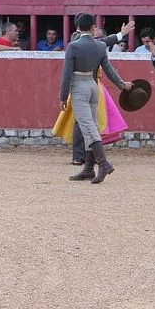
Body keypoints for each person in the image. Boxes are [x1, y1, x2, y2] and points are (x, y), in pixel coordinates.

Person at [60, 12, 131, 185]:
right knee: (91, 126)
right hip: (93, 86)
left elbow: (66, 74)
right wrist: (122, 85)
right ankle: (88, 169)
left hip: (79, 87)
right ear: (93, 28)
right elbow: (108, 69)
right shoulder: (99, 46)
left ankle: (103, 163)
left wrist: (63, 96)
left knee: (87, 127)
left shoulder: (73, 46)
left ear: (77, 27)